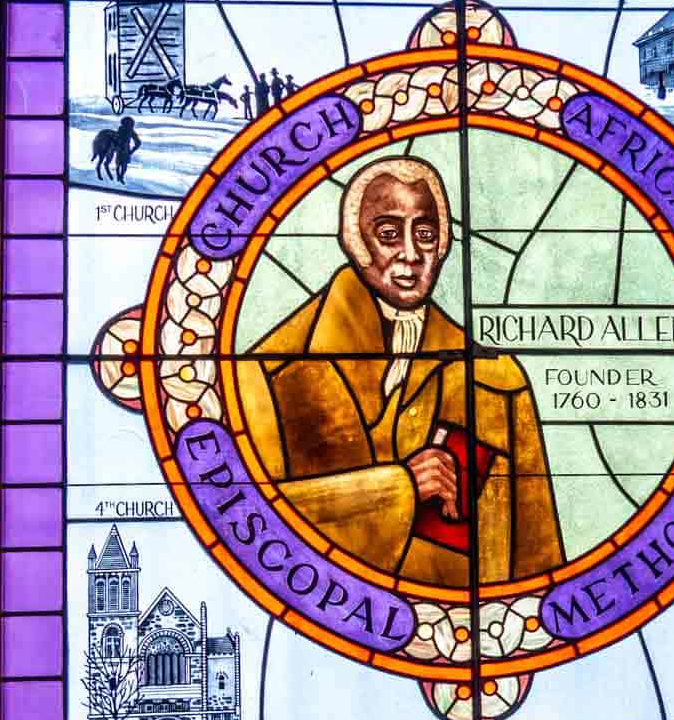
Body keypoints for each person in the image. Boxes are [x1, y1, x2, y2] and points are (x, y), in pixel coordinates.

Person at [236, 157, 564, 587]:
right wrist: (399, 488)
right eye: (389, 234)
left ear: (443, 245)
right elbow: (251, 530)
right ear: (355, 242)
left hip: (466, 629)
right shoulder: (273, 372)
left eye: (425, 235)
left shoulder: (497, 380)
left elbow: (538, 562)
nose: (411, 254)